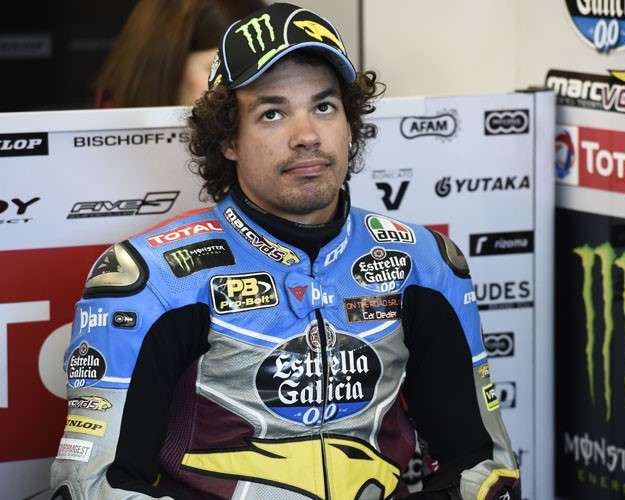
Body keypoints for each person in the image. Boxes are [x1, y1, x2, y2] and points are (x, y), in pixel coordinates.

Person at [51, 3, 521, 499]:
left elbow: (484, 466)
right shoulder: (153, 279)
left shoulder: (424, 264)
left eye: (324, 107)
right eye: (272, 113)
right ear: (228, 139)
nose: (307, 136)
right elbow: (90, 486)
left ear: (350, 123)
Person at [95, 0, 265, 108]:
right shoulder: (94, 145)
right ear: (162, 69)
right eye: (221, 69)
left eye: (258, 69)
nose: (245, 85)